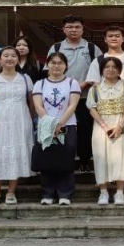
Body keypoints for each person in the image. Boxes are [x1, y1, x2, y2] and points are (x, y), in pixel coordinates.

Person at [45, 15, 102, 173]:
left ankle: (85, 161)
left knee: (85, 130)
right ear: (63, 29)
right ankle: (63, 161)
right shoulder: (56, 48)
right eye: (70, 27)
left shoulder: (92, 48)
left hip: (85, 98)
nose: (74, 30)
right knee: (62, 129)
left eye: (77, 27)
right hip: (61, 99)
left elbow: (100, 71)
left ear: (83, 29)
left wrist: (79, 86)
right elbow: (49, 72)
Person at [0, 47, 34, 205]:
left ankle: (11, 191)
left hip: (20, 121)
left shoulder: (25, 79)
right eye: (6, 55)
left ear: (18, 59)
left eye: (13, 56)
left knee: (16, 153)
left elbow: (31, 103)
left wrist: (30, 121)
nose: (10, 58)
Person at [33, 52, 82, 205]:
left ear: (65, 66)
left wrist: (60, 123)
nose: (56, 66)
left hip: (67, 125)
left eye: (60, 63)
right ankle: (47, 193)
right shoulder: (40, 84)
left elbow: (72, 105)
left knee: (65, 159)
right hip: (46, 126)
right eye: (53, 62)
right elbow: (38, 106)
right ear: (47, 65)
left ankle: (65, 193)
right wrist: (51, 124)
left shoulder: (72, 83)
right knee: (47, 160)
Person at [87, 57, 124, 206]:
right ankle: (103, 192)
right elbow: (92, 109)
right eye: (107, 67)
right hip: (101, 127)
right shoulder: (94, 89)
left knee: (122, 157)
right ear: (102, 70)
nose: (111, 69)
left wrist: (120, 126)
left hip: (122, 125)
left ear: (119, 70)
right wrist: (105, 126)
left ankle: (120, 192)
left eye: (114, 67)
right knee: (101, 157)